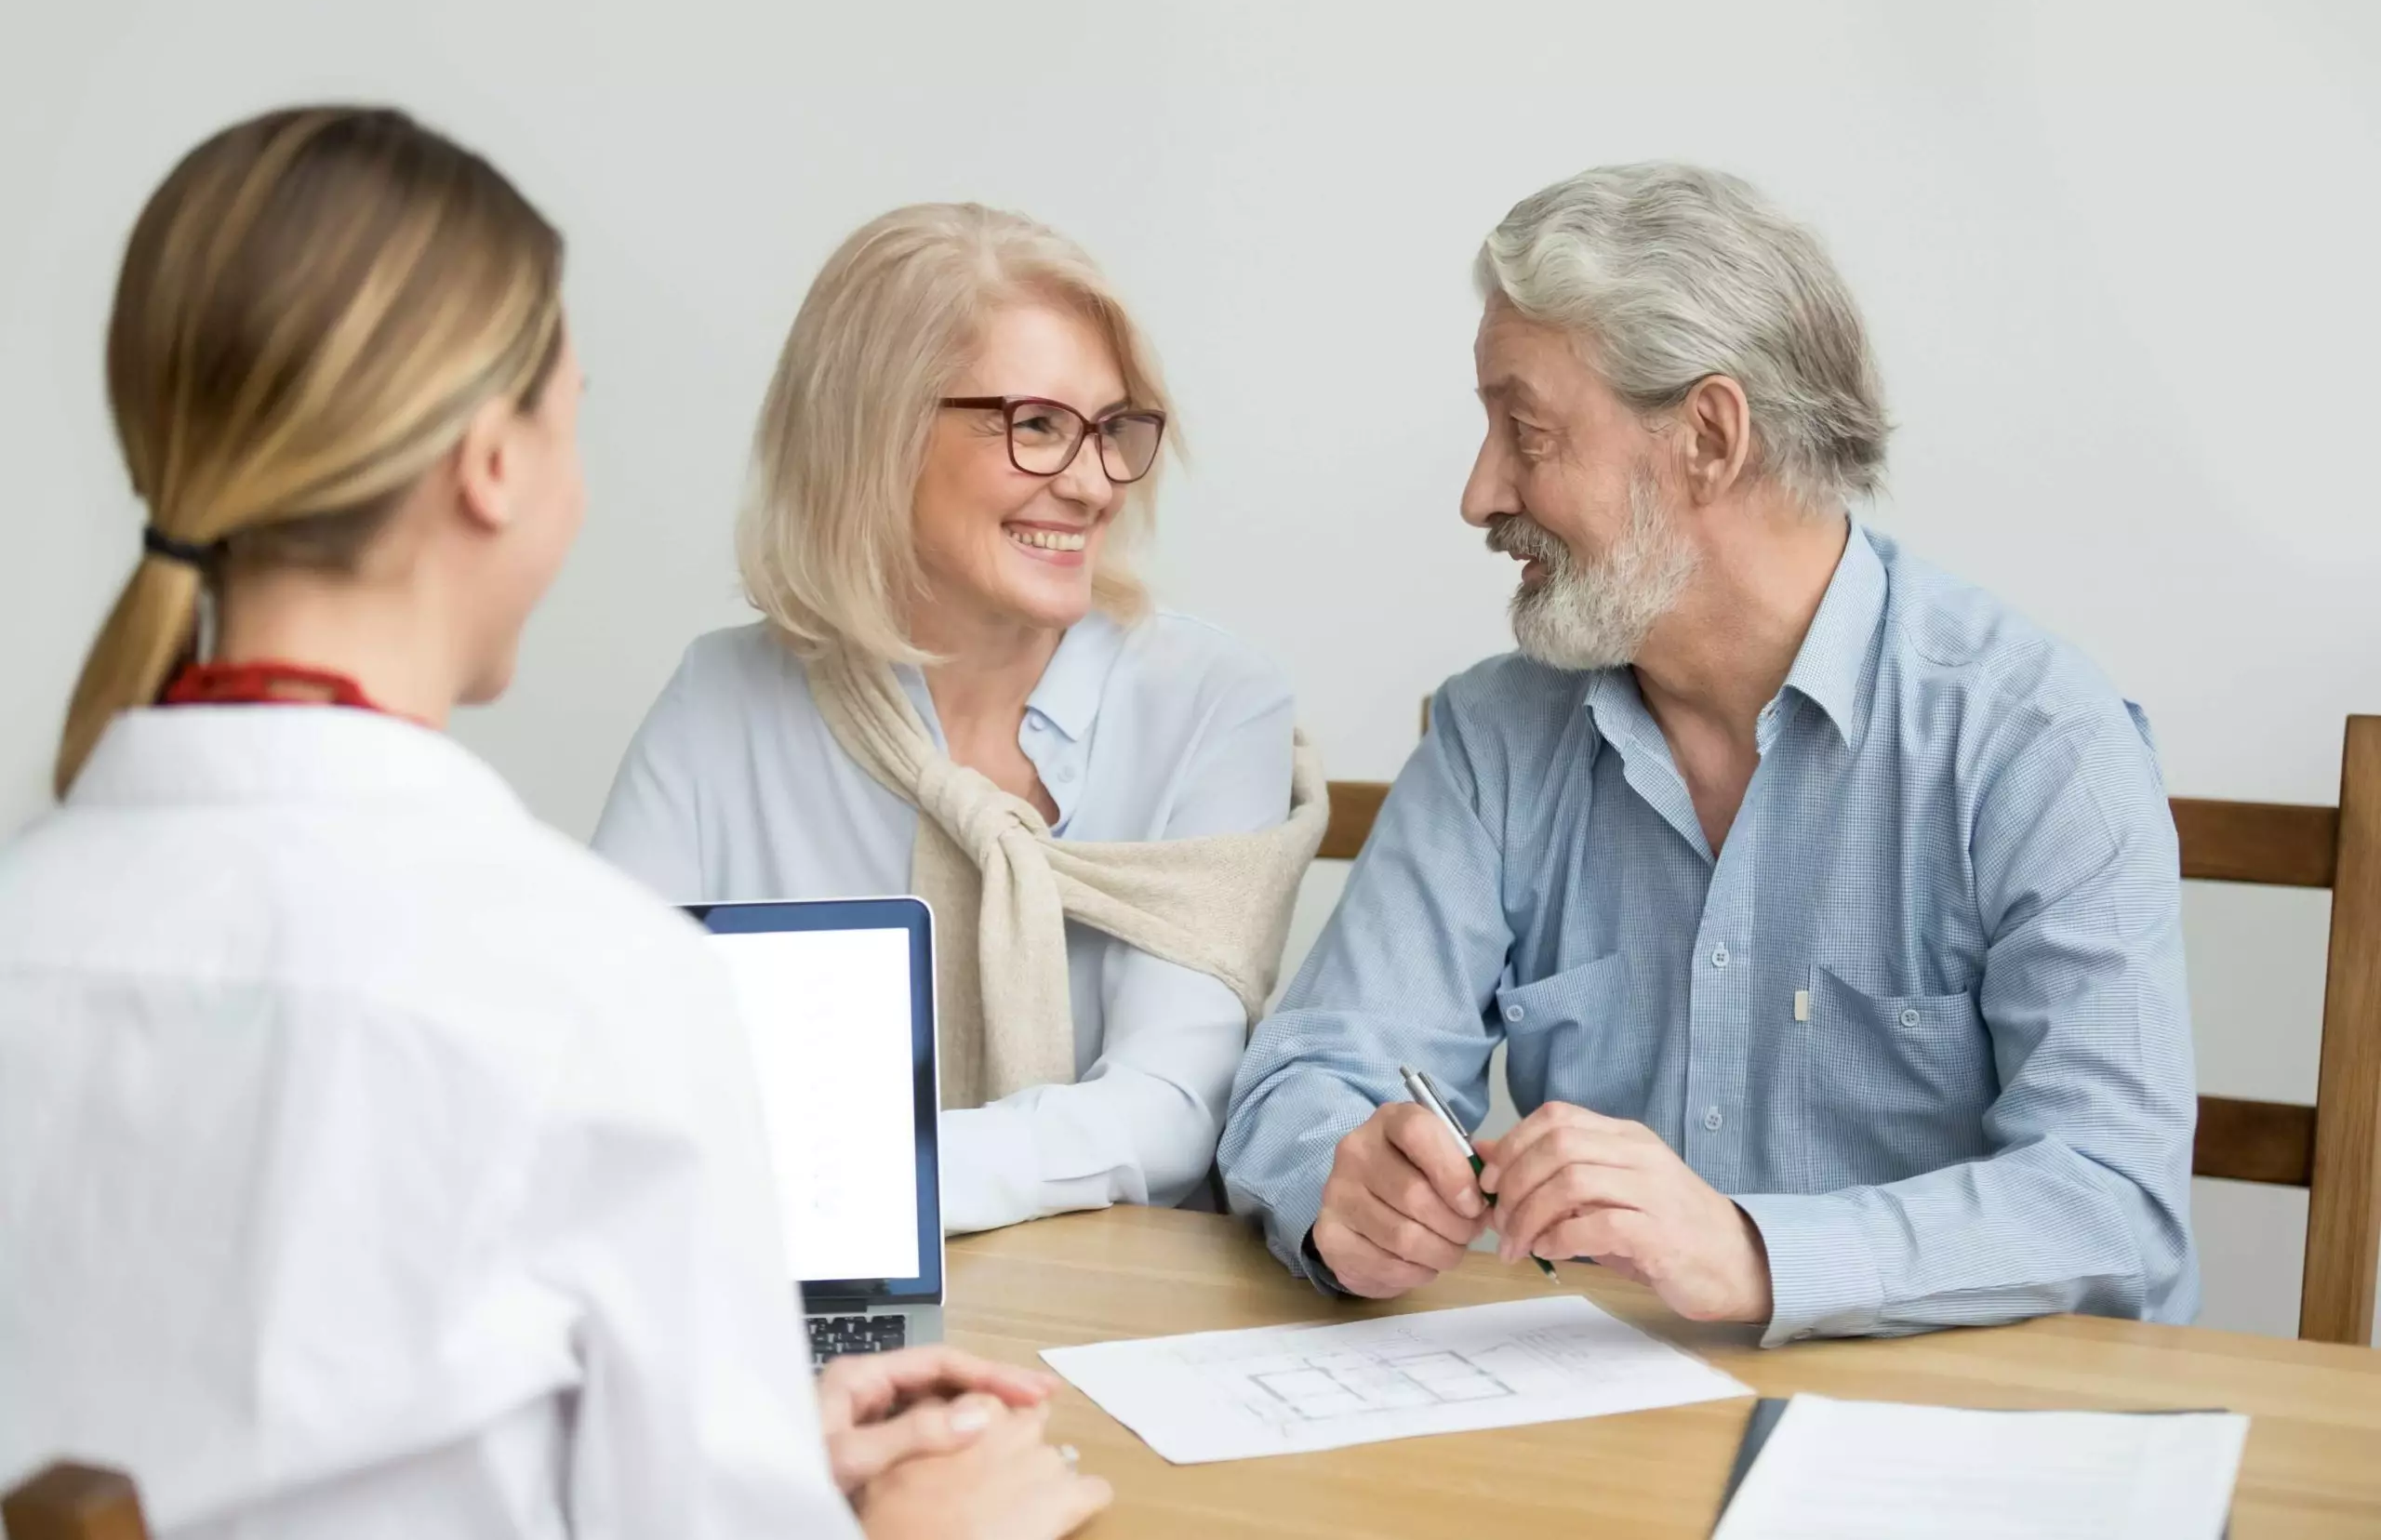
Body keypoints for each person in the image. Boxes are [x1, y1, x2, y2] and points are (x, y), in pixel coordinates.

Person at [0, 106, 1108, 1540]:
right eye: (571, 412)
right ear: (492, 466)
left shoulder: (31, 919)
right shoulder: (597, 984)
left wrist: (761, 1437)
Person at [1219, 163, 2199, 1347]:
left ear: (1708, 438)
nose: (1481, 494)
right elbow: (1309, 1074)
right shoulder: (1494, 740)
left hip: (1954, 1446)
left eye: (1525, 433)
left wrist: (1753, 1252)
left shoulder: (2037, 743)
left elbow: (2109, 1197)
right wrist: (1342, 1184)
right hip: (1597, 1435)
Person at [594, 204, 1326, 1235]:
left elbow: (1166, 1109)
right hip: (804, 1292)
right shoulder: (722, 702)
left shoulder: (1212, 701)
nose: (1088, 483)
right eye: (1035, 426)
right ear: (873, 434)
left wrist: (860, 1180)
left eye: (1111, 429)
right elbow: (612, 1051)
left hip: (1115, 1315)